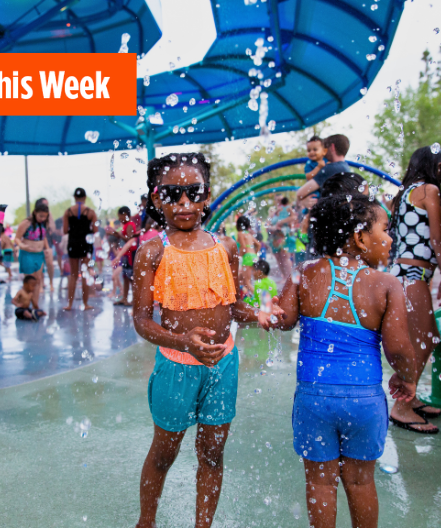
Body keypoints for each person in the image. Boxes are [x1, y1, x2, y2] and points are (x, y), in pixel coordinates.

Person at [133, 152, 278, 528]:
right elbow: (140, 321)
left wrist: (258, 314)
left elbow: (232, 306)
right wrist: (184, 342)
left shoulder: (226, 248)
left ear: (207, 195)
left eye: (193, 193)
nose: (184, 203)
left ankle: (204, 524)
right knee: (164, 454)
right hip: (176, 367)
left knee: (213, 454)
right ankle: (146, 521)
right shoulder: (152, 252)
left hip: (222, 365)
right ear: (157, 198)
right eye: (173, 194)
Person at [273, 193, 417, 528]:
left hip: (314, 399)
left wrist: (262, 307)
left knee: (320, 483)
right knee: (361, 481)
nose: (390, 237)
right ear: (359, 237)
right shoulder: (385, 284)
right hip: (363, 401)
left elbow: (282, 318)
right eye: (385, 228)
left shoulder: (304, 273)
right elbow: (399, 348)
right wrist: (406, 376)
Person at [388, 146, 441, 434]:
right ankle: (402, 405)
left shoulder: (404, 193)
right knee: (424, 339)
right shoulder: (428, 191)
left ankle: (409, 398)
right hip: (413, 272)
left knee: (421, 338)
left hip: (402, 271)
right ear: (434, 166)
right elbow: (438, 237)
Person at [62, 188, 98, 311]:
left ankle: (70, 304)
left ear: (74, 197)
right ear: (85, 198)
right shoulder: (90, 212)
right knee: (85, 274)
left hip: (73, 243)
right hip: (85, 244)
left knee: (73, 275)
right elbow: (95, 230)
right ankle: (85, 303)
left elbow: (65, 230)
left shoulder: (68, 212)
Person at [15, 201, 50, 318]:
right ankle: (25, 307)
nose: (42, 218)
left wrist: (47, 248)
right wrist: (22, 245)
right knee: (29, 282)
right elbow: (17, 238)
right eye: (40, 216)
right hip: (27, 254)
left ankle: (35, 307)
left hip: (39, 255)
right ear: (35, 213)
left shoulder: (44, 223)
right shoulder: (26, 223)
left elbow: (43, 237)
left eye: (45, 216)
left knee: (38, 281)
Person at [296, 134, 351, 201]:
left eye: (325, 147)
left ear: (332, 147)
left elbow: (300, 194)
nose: (324, 151)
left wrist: (304, 201)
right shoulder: (346, 168)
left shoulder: (330, 169)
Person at [107, 206, 136, 306]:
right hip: (125, 254)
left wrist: (118, 236)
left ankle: (134, 299)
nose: (119, 219)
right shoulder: (126, 225)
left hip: (130, 255)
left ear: (125, 215)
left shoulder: (130, 225)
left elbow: (130, 241)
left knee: (131, 277)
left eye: (120, 217)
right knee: (125, 277)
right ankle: (124, 298)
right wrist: (115, 235)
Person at [268, 197, 295, 283]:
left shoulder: (288, 208)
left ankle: (289, 278)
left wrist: (281, 222)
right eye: (277, 200)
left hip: (284, 234)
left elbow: (293, 217)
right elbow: (269, 223)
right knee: (279, 258)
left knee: (284, 257)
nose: (278, 202)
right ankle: (284, 277)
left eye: (279, 200)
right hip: (276, 236)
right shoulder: (277, 211)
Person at [35, 197, 58, 292]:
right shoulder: (35, 216)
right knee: (40, 265)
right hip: (38, 243)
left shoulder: (48, 215)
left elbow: (53, 228)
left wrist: (50, 216)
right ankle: (41, 284)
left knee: (50, 264)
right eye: (45, 204)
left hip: (48, 241)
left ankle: (51, 283)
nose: (47, 206)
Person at [236, 215, 260, 296]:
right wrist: (254, 255)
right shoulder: (249, 234)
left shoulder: (240, 233)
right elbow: (258, 245)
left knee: (247, 282)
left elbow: (243, 248)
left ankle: (259, 298)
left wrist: (238, 257)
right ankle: (243, 297)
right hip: (253, 257)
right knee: (240, 279)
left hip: (247, 257)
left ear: (238, 225)